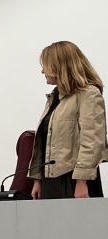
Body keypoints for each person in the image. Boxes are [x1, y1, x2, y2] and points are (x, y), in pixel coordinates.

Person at [28, 41, 107, 199]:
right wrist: (38, 180)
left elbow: (92, 142)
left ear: (59, 66)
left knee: (77, 224)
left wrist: (81, 182)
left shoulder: (88, 94)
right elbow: (44, 143)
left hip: (75, 181)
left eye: (46, 65)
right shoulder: (55, 97)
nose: (42, 71)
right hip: (50, 180)